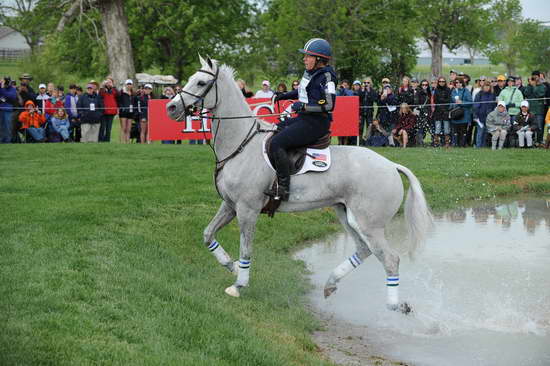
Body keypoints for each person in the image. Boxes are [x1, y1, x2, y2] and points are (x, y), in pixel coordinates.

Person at [267, 38, 337, 201]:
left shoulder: (327, 76)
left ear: (319, 60)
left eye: (308, 56)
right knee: (272, 130)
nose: (304, 59)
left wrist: (305, 107)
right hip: (304, 118)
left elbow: (329, 104)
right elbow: (301, 92)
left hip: (316, 123)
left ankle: (283, 188)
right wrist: (283, 96)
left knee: (277, 143)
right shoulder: (310, 72)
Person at [523, 74, 547, 145]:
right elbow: (526, 93)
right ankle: (531, 141)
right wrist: (530, 85)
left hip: (539, 110)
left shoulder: (542, 86)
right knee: (531, 127)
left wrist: (534, 86)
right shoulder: (529, 86)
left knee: (539, 127)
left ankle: (539, 141)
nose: (534, 80)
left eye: (535, 78)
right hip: (531, 110)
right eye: (533, 78)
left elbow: (539, 95)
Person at [450, 78, 472, 147]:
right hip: (455, 115)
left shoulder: (466, 91)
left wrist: (462, 102)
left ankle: (462, 145)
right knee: (455, 132)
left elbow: (470, 103)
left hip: (464, 115)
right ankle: (455, 145)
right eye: (456, 82)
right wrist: (454, 104)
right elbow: (450, 102)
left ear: (462, 83)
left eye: (459, 82)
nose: (458, 84)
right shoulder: (453, 91)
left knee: (463, 131)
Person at [473, 83, 496, 148]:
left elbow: (494, 106)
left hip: (489, 117)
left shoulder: (492, 95)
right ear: (483, 87)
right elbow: (475, 106)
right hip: (480, 116)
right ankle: (478, 146)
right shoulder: (479, 94)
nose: (486, 87)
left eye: (488, 86)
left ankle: (483, 146)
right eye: (485, 86)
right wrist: (475, 116)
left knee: (486, 132)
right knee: (480, 132)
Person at [432, 76, 452, 147]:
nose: (441, 83)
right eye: (440, 81)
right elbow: (435, 100)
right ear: (438, 82)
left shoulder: (448, 89)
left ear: (445, 82)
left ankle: (447, 143)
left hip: (446, 111)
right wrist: (443, 100)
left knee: (446, 128)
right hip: (438, 111)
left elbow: (449, 100)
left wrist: (441, 100)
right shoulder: (436, 89)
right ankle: (436, 143)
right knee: (438, 128)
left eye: (443, 81)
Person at [99, 77, 119, 142]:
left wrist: (113, 87)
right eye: (107, 82)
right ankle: (101, 141)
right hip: (104, 112)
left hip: (111, 112)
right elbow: (100, 94)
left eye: (110, 82)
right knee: (102, 128)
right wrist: (102, 86)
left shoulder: (114, 90)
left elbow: (118, 95)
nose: (108, 83)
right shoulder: (103, 89)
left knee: (109, 128)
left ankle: (107, 141)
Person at [118, 79, 137, 143]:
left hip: (130, 112)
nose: (129, 85)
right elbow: (119, 101)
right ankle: (122, 142)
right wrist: (122, 108)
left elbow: (135, 102)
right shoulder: (121, 92)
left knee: (129, 129)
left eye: (130, 84)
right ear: (125, 85)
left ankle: (127, 142)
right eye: (128, 84)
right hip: (123, 112)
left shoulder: (133, 93)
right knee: (124, 128)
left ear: (132, 85)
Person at [0, 76, 17, 143]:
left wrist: (2, 89)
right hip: (0, 109)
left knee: (7, 126)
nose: (7, 83)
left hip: (7, 110)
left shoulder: (12, 89)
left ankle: (7, 141)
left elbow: (11, 96)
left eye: (8, 81)